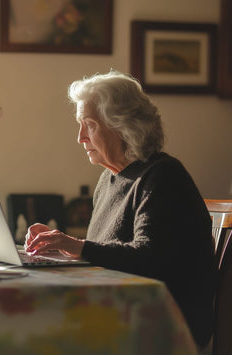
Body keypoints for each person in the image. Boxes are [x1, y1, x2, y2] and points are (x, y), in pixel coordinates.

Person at [25, 70, 216, 350]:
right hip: (119, 310)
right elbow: (108, 255)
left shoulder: (163, 176)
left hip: (161, 325)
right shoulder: (109, 179)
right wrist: (63, 247)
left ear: (124, 126)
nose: (80, 137)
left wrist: (78, 246)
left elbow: (150, 258)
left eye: (89, 125)